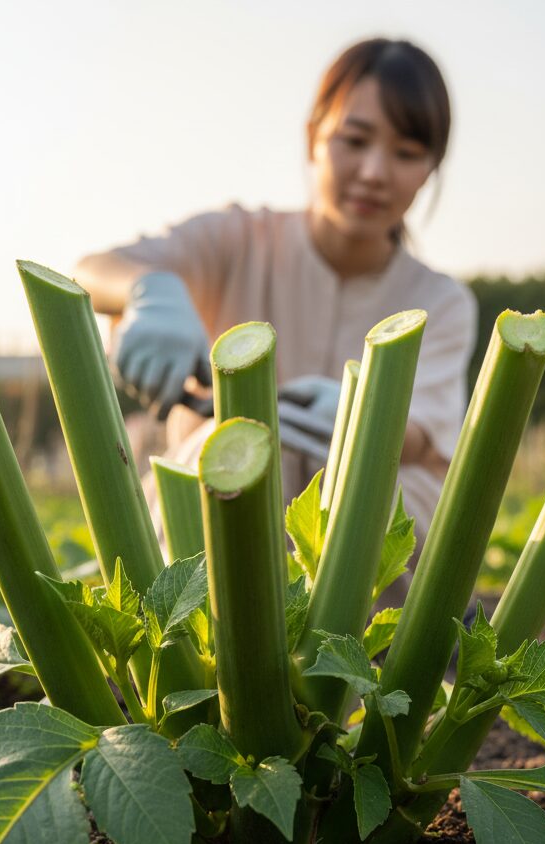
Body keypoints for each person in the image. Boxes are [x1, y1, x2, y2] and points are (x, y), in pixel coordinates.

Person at [74, 37, 478, 564]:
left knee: (387, 493)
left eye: (406, 154)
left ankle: (383, 647)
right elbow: (90, 271)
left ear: (430, 168)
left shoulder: (440, 302)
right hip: (208, 525)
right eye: (355, 141)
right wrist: (148, 291)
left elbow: (428, 439)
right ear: (314, 137)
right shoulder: (237, 240)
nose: (375, 173)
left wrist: (369, 423)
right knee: (220, 456)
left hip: (376, 561)